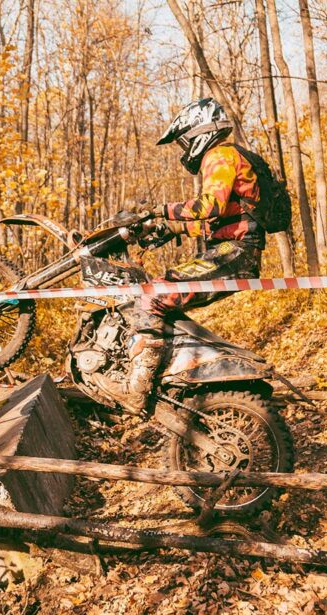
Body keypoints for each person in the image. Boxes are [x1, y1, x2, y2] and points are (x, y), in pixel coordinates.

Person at [98, 97, 268, 414]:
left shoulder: (220, 156)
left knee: (152, 296)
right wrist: (172, 230)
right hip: (233, 249)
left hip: (236, 252)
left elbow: (210, 207)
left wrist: (158, 210)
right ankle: (165, 370)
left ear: (198, 132)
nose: (183, 148)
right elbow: (223, 221)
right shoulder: (227, 156)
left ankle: (137, 390)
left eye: (183, 141)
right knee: (159, 293)